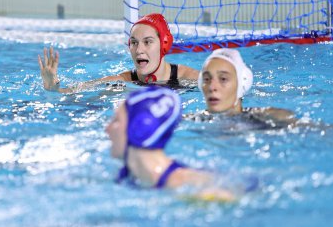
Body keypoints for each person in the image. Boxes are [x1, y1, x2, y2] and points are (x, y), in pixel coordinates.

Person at [105, 86, 257, 202]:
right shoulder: (129, 176)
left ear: (140, 129)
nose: (107, 129)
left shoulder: (189, 188)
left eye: (116, 120)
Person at [37, 13, 199, 93]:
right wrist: (52, 87)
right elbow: (70, 94)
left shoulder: (191, 78)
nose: (139, 50)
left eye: (148, 42)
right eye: (134, 43)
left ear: (163, 44)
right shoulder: (122, 81)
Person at [191, 48, 297, 127]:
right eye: (206, 79)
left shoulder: (272, 119)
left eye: (223, 79)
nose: (212, 87)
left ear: (243, 83)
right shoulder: (188, 121)